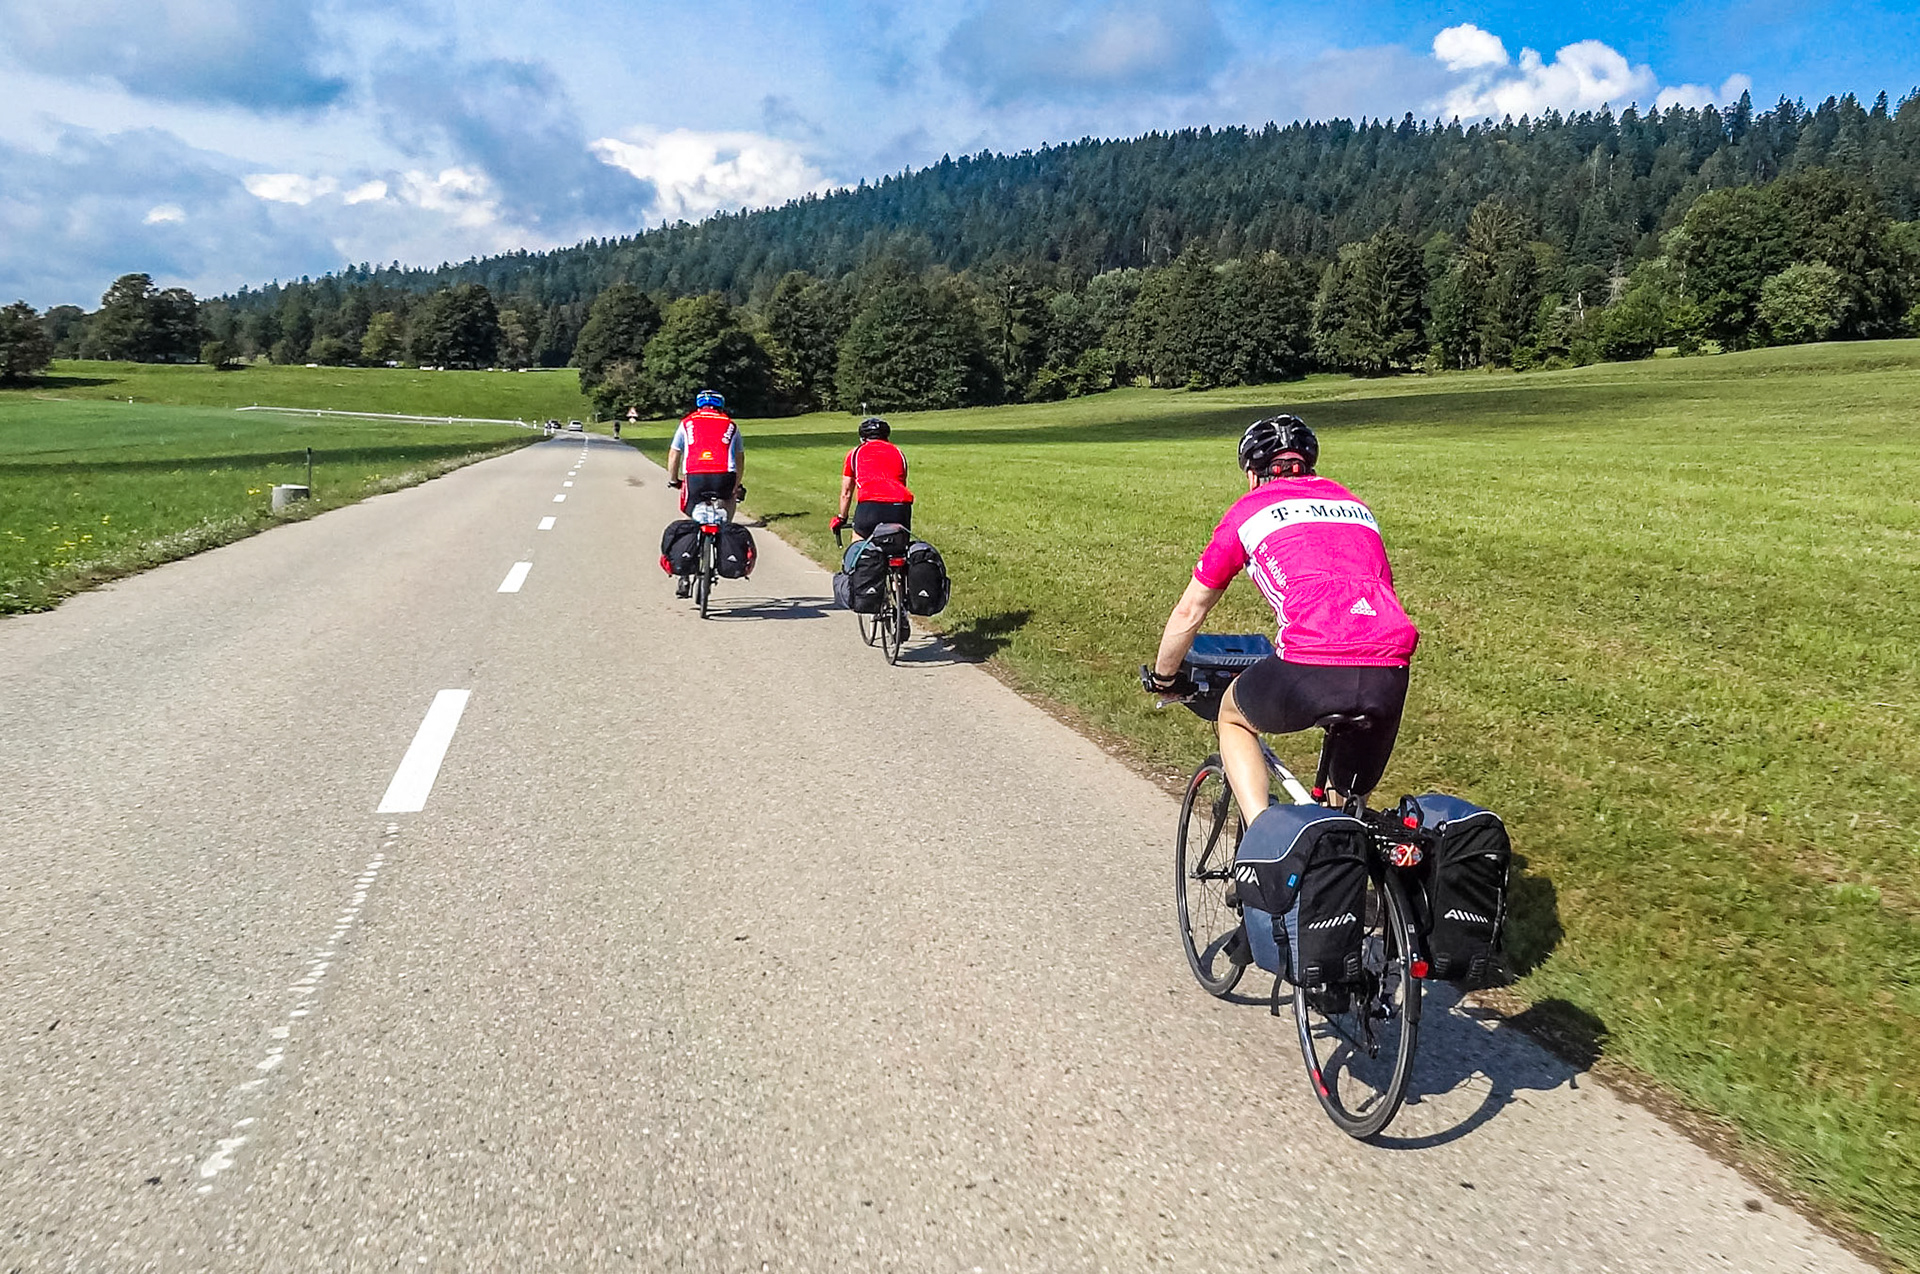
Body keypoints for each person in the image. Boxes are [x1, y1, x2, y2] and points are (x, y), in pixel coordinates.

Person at [1147, 416, 1418, 821]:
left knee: (1233, 716)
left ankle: (1262, 839)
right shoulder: (1356, 506)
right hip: (1390, 667)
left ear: (1253, 475)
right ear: (1308, 465)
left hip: (1312, 658)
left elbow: (1191, 609)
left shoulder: (1249, 510)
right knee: (1348, 814)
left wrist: (1164, 677)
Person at [665, 389, 744, 597]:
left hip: (695, 476)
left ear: (699, 405)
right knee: (729, 499)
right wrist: (736, 486)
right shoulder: (731, 425)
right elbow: (739, 459)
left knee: (689, 514)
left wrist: (674, 480)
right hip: (724, 475)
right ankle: (724, 532)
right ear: (721, 406)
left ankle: (684, 576)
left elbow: (674, 454)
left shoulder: (687, 423)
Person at [828, 416, 912, 547]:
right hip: (900, 506)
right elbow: (901, 483)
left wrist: (841, 518)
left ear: (863, 438)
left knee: (858, 547)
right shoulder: (898, 453)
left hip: (870, 507)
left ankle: (855, 566)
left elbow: (846, 492)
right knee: (900, 548)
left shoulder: (855, 453)